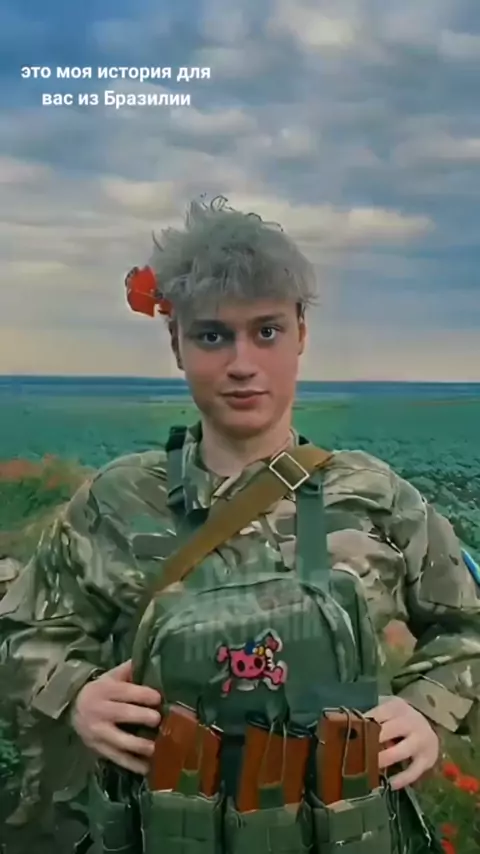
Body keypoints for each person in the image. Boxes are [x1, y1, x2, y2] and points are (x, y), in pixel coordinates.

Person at [0, 196, 479, 854]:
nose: (242, 362)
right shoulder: (116, 502)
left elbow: (467, 629)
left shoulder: (375, 496)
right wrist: (76, 694)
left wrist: (427, 710)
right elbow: (23, 634)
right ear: (176, 343)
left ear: (301, 333)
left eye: (267, 331)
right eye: (212, 335)